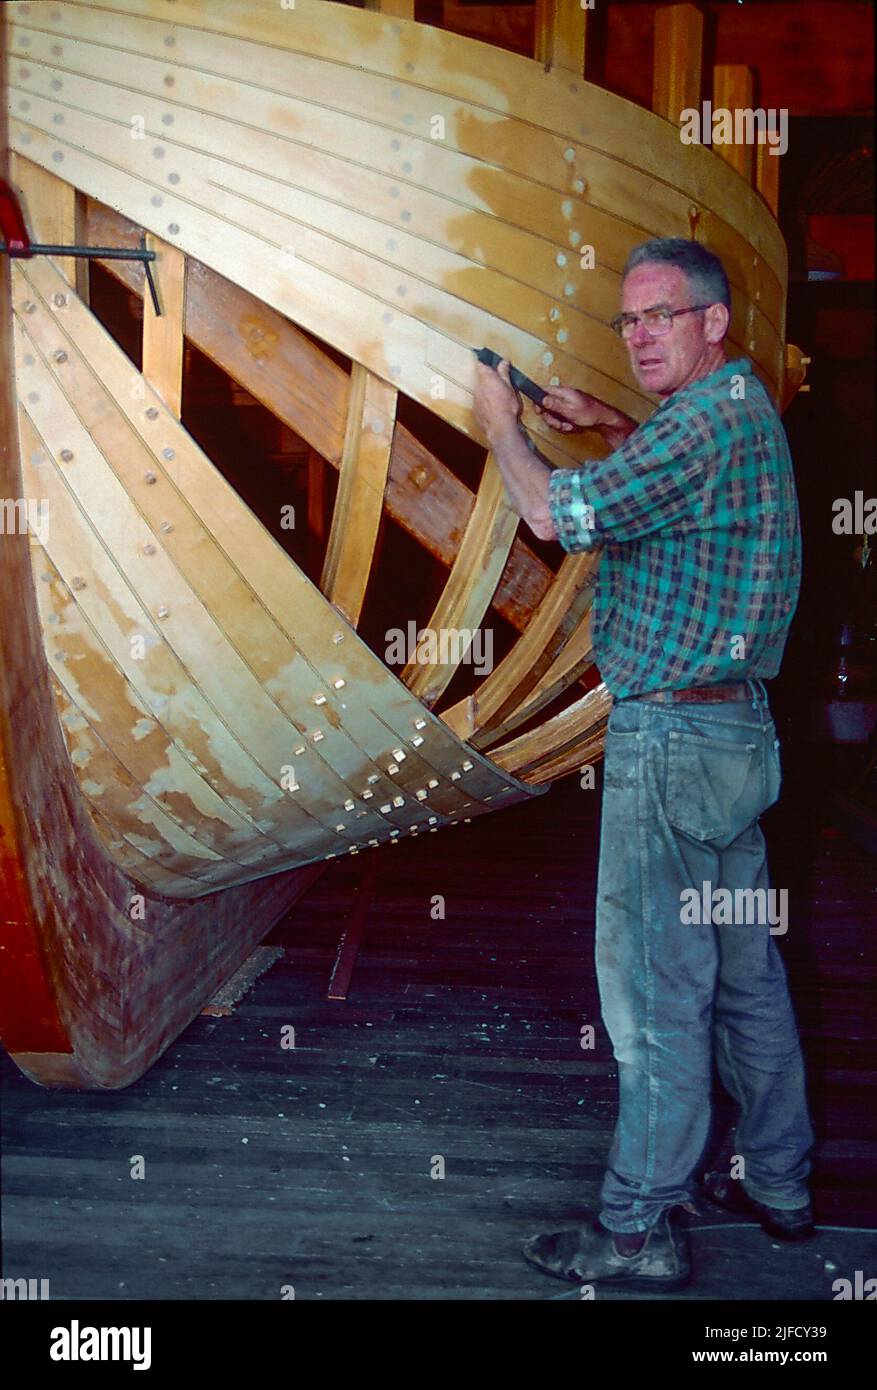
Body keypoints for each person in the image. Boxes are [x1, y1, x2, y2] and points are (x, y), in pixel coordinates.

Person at [472, 237, 815, 1292]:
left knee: (657, 994)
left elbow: (553, 514)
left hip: (670, 740)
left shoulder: (703, 426)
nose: (639, 336)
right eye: (629, 322)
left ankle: (635, 1226)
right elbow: (675, 497)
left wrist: (502, 427)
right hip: (733, 738)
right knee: (745, 977)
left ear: (714, 321)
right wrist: (612, 426)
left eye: (661, 316)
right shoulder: (733, 414)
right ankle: (778, 1182)